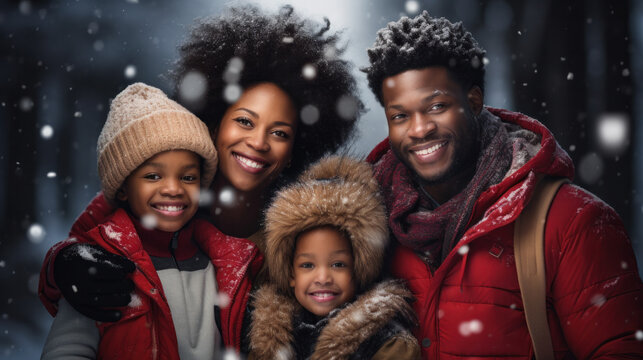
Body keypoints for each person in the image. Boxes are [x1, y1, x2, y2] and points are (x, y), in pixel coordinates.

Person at [38, 5, 361, 354]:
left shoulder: (302, 226)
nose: (258, 142)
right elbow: (89, 247)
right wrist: (63, 264)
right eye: (245, 122)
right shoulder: (165, 192)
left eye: (280, 133)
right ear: (215, 120)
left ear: (297, 148)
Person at [362, 11, 643, 359]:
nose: (419, 129)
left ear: (474, 101)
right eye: (400, 116)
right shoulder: (368, 229)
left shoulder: (574, 223)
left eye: (436, 106)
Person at [41, 82, 220, 359]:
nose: (174, 188)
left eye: (188, 177)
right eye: (153, 176)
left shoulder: (220, 262)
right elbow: (67, 350)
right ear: (123, 188)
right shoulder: (100, 266)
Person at [248, 156, 420, 359]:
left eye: (338, 264)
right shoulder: (268, 338)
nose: (323, 278)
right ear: (291, 274)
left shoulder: (387, 343)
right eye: (307, 265)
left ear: (359, 270)